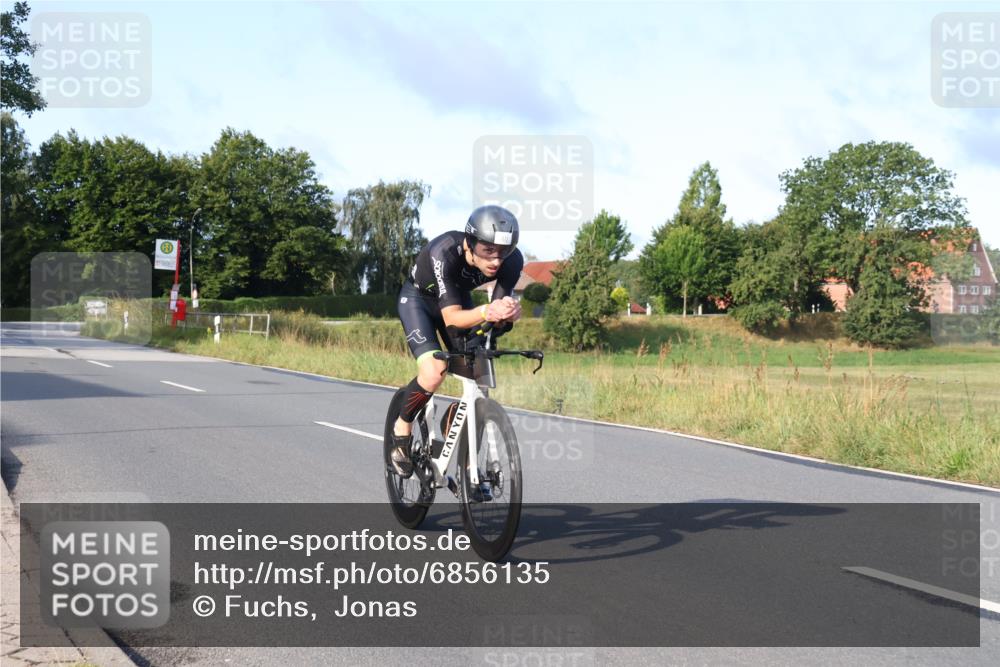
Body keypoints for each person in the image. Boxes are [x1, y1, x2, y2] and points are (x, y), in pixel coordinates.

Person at [390, 205, 524, 477]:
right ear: (470, 242)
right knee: (434, 371)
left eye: (503, 251)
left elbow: (494, 317)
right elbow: (452, 319)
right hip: (419, 301)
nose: (496, 260)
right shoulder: (445, 251)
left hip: (457, 297)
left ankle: (463, 445)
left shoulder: (512, 262)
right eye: (488, 250)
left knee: (480, 370)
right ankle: (401, 427)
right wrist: (488, 311)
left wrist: (506, 316)